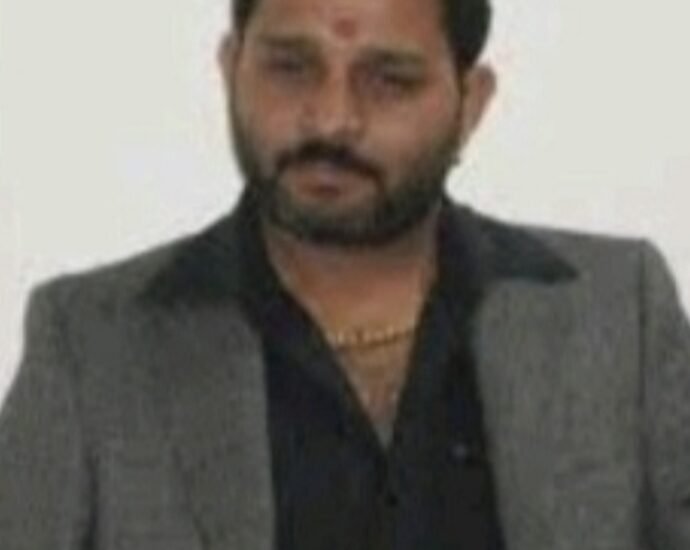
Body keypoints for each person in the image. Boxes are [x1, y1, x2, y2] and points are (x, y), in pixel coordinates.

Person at [1, 0, 689, 547]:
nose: (332, 118)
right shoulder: (91, 346)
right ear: (231, 69)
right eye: (290, 68)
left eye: (389, 80)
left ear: (470, 103)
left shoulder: (616, 315)